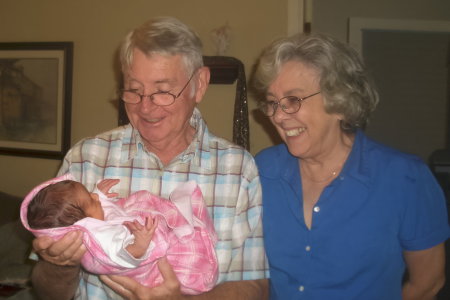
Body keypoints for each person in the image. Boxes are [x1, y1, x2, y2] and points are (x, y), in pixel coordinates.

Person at [31, 16, 269, 300]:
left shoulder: (238, 169)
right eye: (134, 90)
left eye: (162, 91)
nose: (145, 107)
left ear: (200, 84)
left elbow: (254, 286)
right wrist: (61, 266)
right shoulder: (86, 158)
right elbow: (47, 292)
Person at [251, 32, 449, 300]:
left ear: (339, 102)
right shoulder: (262, 170)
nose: (279, 116)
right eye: (273, 103)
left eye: (293, 100)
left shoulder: (404, 179)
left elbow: (428, 282)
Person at [22, 174, 218, 295]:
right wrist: (139, 246)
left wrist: (101, 195)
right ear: (81, 225)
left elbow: (99, 213)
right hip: (144, 264)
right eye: (91, 199)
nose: (95, 196)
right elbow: (119, 254)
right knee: (185, 238)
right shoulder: (101, 240)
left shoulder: (89, 222)